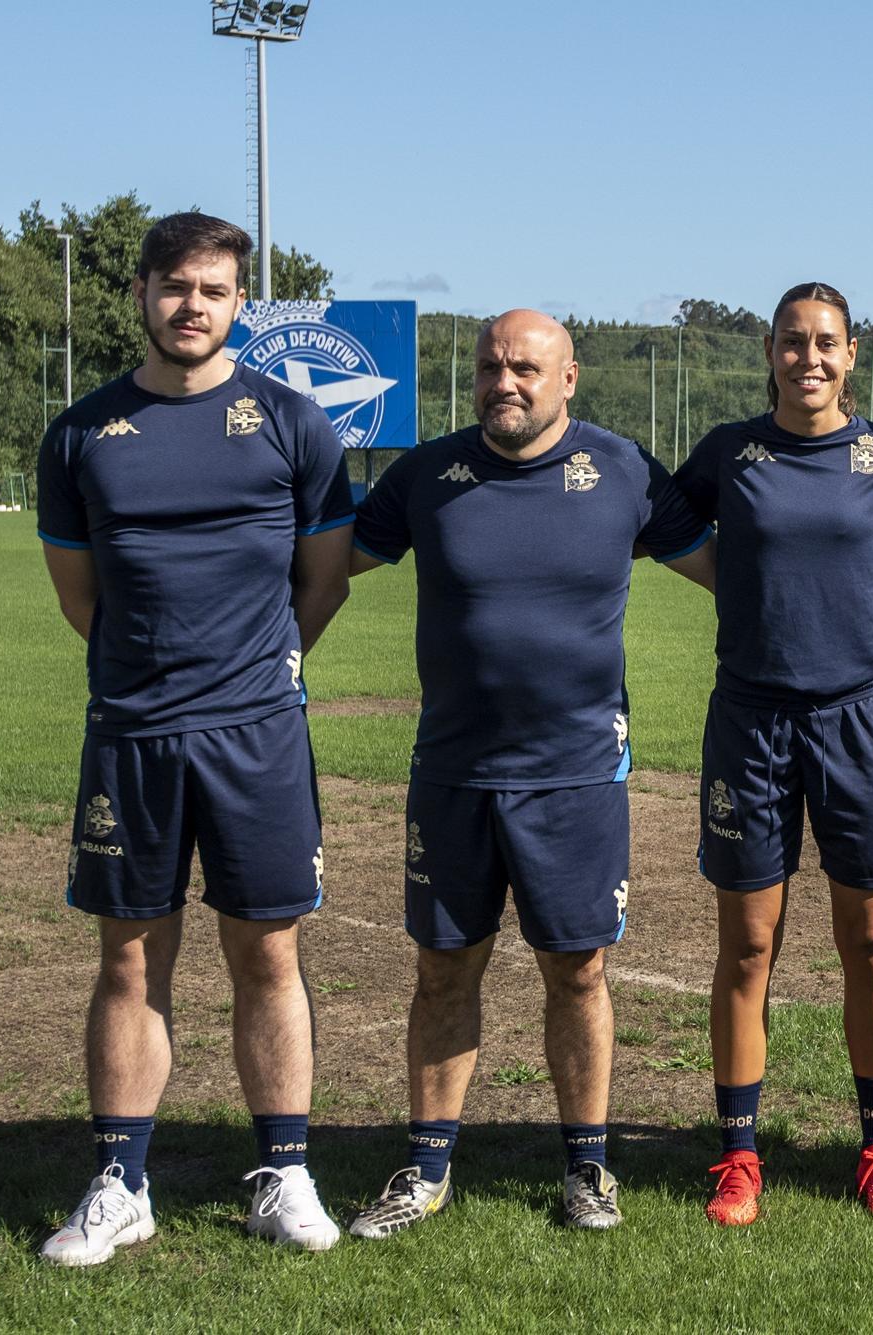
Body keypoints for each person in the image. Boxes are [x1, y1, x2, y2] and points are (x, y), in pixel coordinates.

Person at [343, 311, 715, 1235]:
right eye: (490, 366)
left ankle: (587, 1168)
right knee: (442, 968)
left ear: (570, 378)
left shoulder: (624, 470)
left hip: (577, 774)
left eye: (525, 367)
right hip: (454, 771)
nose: (505, 381)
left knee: (578, 971)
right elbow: (325, 565)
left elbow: (730, 569)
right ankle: (427, 1168)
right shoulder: (426, 475)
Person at [36, 212, 354, 1264]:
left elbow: (320, 582)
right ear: (139, 293)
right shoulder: (82, 433)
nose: (192, 307)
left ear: (238, 305)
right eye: (175, 287)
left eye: (213, 291)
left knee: (267, 949)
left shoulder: (291, 423)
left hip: (258, 734)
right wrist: (157, 669)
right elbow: (81, 599)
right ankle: (120, 1182)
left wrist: (256, 668)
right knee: (129, 956)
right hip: (131, 733)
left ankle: (286, 1172)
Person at [673, 283, 873, 1226]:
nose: (809, 358)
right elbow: (663, 526)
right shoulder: (730, 453)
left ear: (852, 355)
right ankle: (738, 1155)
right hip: (751, 724)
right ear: (770, 351)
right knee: (747, 943)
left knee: (869, 946)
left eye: (827, 343)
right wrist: (735, 583)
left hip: (857, 722)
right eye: (793, 342)